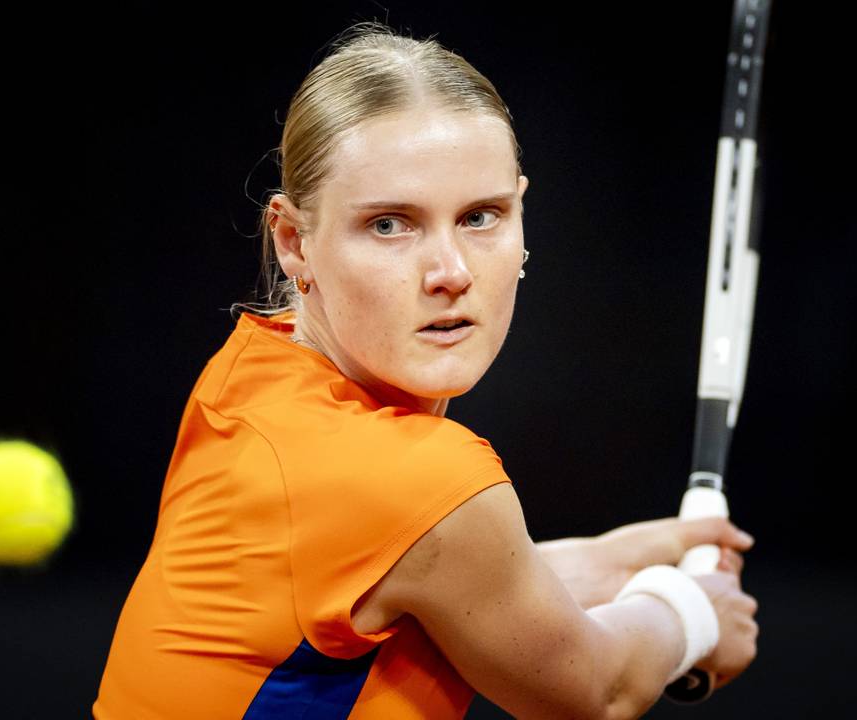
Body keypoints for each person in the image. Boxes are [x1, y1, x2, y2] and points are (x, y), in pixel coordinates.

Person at [93, 22, 757, 719]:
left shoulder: (250, 372)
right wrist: (692, 614)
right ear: (292, 241)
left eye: (480, 217)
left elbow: (412, 587)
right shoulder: (419, 482)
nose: (451, 273)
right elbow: (597, 689)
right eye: (389, 224)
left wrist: (606, 561)